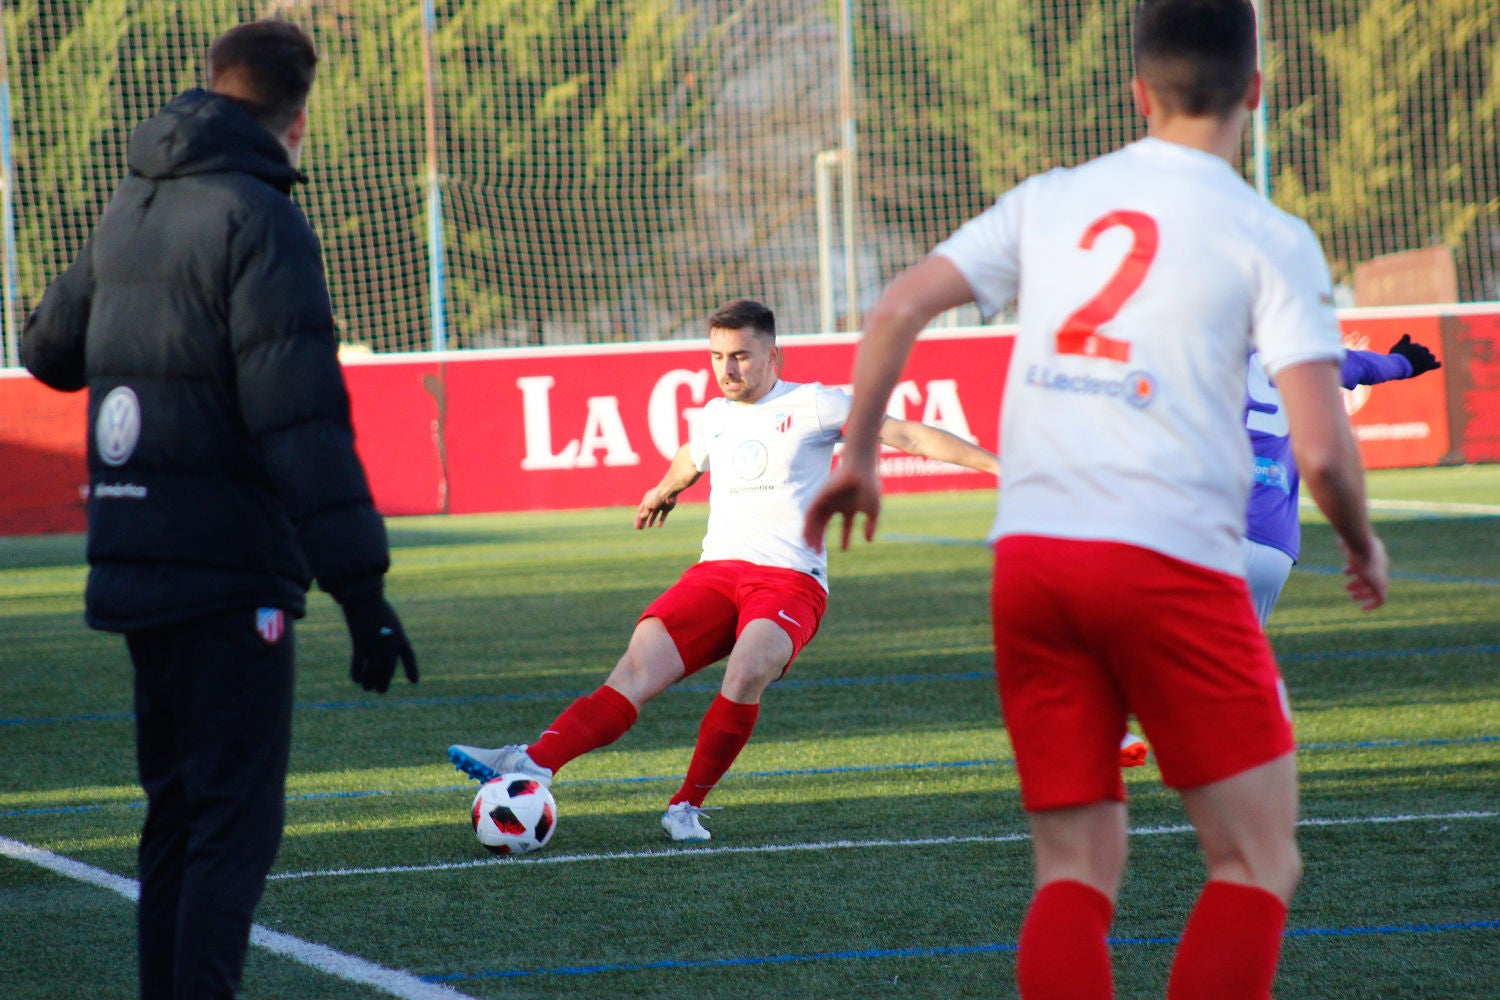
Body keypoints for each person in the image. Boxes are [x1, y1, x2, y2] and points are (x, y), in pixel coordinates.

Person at [803, 2, 1388, 998]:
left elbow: (898, 304)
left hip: (1034, 560)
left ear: (1137, 93)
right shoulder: (1268, 233)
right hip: (1168, 556)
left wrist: (858, 451)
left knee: (1073, 872)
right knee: (1256, 862)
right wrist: (1363, 543)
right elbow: (1323, 448)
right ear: (1255, 89)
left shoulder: (1054, 197)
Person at [20, 21, 417, 999]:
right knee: (234, 824)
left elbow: (47, 351)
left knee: (174, 817)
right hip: (227, 568)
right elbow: (302, 421)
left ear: (210, 85)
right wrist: (362, 590)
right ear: (298, 115)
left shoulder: (133, 202)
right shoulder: (261, 216)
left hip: (132, 554)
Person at [448, 298, 999, 842]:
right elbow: (693, 456)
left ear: (772, 355)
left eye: (739, 356)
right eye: (717, 357)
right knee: (634, 672)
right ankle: (532, 761)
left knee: (747, 667)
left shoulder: (815, 405)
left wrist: (998, 466)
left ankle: (685, 806)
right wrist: (666, 488)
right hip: (716, 574)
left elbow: (909, 435)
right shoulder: (714, 415)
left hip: (788, 579)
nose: (727, 369)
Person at [1118, 335, 1439, 763]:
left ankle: (1120, 725)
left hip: (1204, 531)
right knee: (1234, 662)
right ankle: (1251, 756)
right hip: (1271, 545)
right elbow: (1361, 367)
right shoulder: (1293, 352)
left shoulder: (1192, 345)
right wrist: (1404, 362)